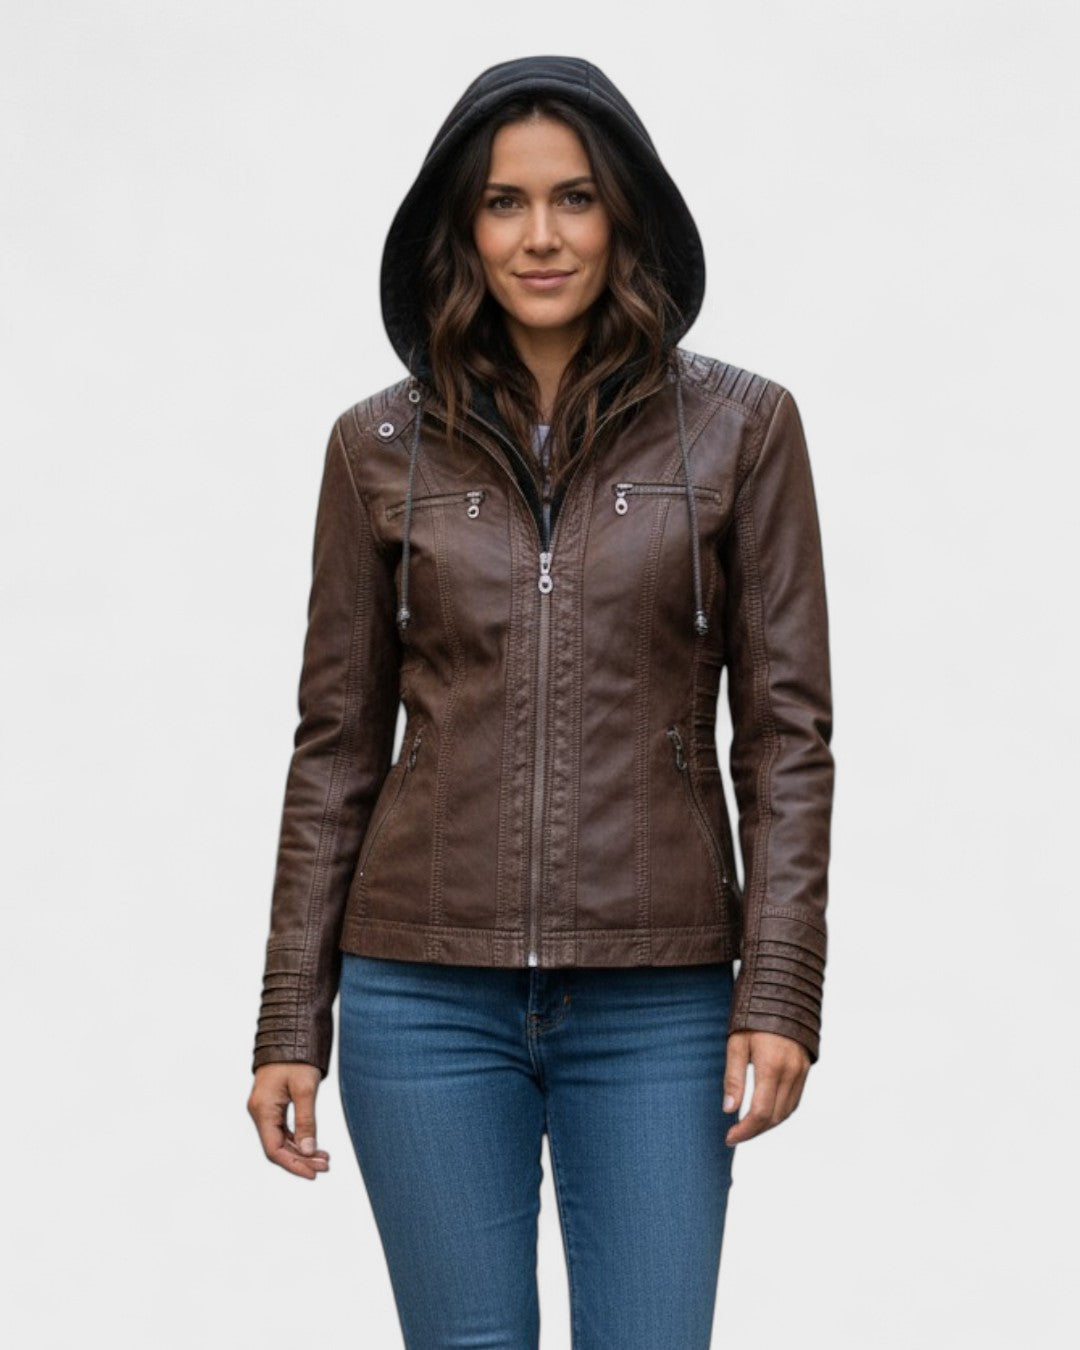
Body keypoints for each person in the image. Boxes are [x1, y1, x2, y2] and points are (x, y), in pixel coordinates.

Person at [247, 54, 834, 1348]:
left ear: (624, 212)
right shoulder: (375, 447)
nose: (542, 236)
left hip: (659, 994)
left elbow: (788, 739)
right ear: (462, 227)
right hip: (419, 994)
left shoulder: (742, 431)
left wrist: (781, 987)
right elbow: (335, 745)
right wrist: (292, 1012)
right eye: (504, 203)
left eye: (574, 197)